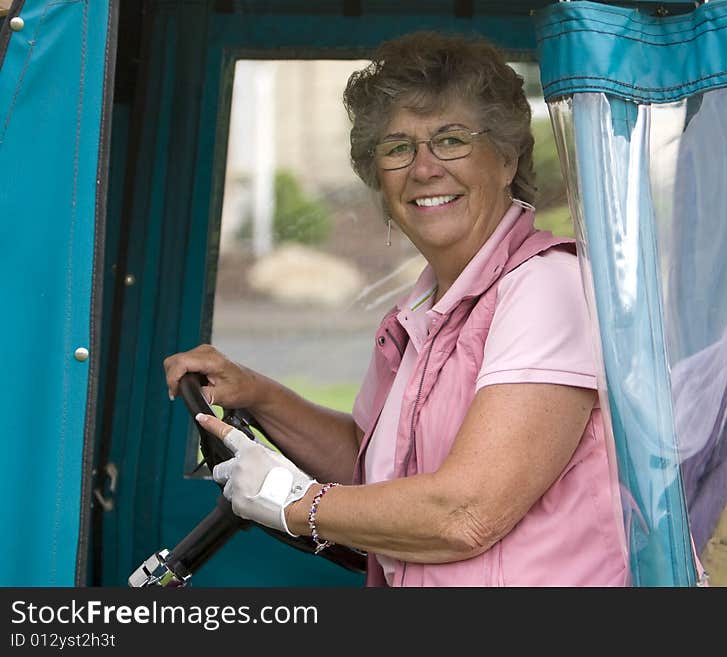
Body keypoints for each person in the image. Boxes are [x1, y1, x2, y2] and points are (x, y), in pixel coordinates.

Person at [164, 32, 629, 586]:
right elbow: (377, 467)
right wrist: (258, 395)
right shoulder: (423, 308)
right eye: (397, 147)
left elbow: (466, 513)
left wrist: (293, 502)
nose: (424, 168)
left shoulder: (548, 288)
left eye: (451, 140)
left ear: (506, 159)